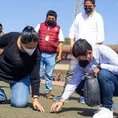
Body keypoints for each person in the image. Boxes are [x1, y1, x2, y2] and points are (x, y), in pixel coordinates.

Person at [50, 39, 118, 118]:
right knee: (79, 86)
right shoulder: (81, 63)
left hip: (115, 83)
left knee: (103, 73)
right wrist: (62, 101)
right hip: (107, 86)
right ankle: (106, 104)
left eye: (81, 58)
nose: (80, 61)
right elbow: (74, 82)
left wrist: (101, 67)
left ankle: (107, 108)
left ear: (89, 53)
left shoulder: (102, 50)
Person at [54, 0, 104, 103]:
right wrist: (72, 43)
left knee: (88, 74)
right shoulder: (79, 17)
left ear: (94, 6)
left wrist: (94, 54)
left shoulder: (98, 17)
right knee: (71, 71)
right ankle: (65, 95)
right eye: (85, 6)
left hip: (90, 53)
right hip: (77, 51)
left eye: (89, 6)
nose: (87, 8)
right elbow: (72, 31)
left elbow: (100, 37)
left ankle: (84, 95)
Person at [0, 26, 45, 112]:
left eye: (34, 47)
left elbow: (35, 76)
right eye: (29, 47)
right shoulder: (12, 37)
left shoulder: (36, 53)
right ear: (21, 41)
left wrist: (36, 99)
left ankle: (6, 97)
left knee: (19, 103)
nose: (32, 50)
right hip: (1, 70)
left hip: (20, 77)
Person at [35, 10, 64, 99]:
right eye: (49, 18)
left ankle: (48, 92)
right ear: (46, 18)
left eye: (52, 18)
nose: (51, 19)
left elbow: (60, 43)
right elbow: (33, 36)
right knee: (38, 74)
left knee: (49, 75)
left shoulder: (58, 28)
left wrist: (59, 55)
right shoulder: (40, 26)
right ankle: (36, 91)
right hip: (39, 53)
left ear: (55, 19)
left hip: (51, 55)